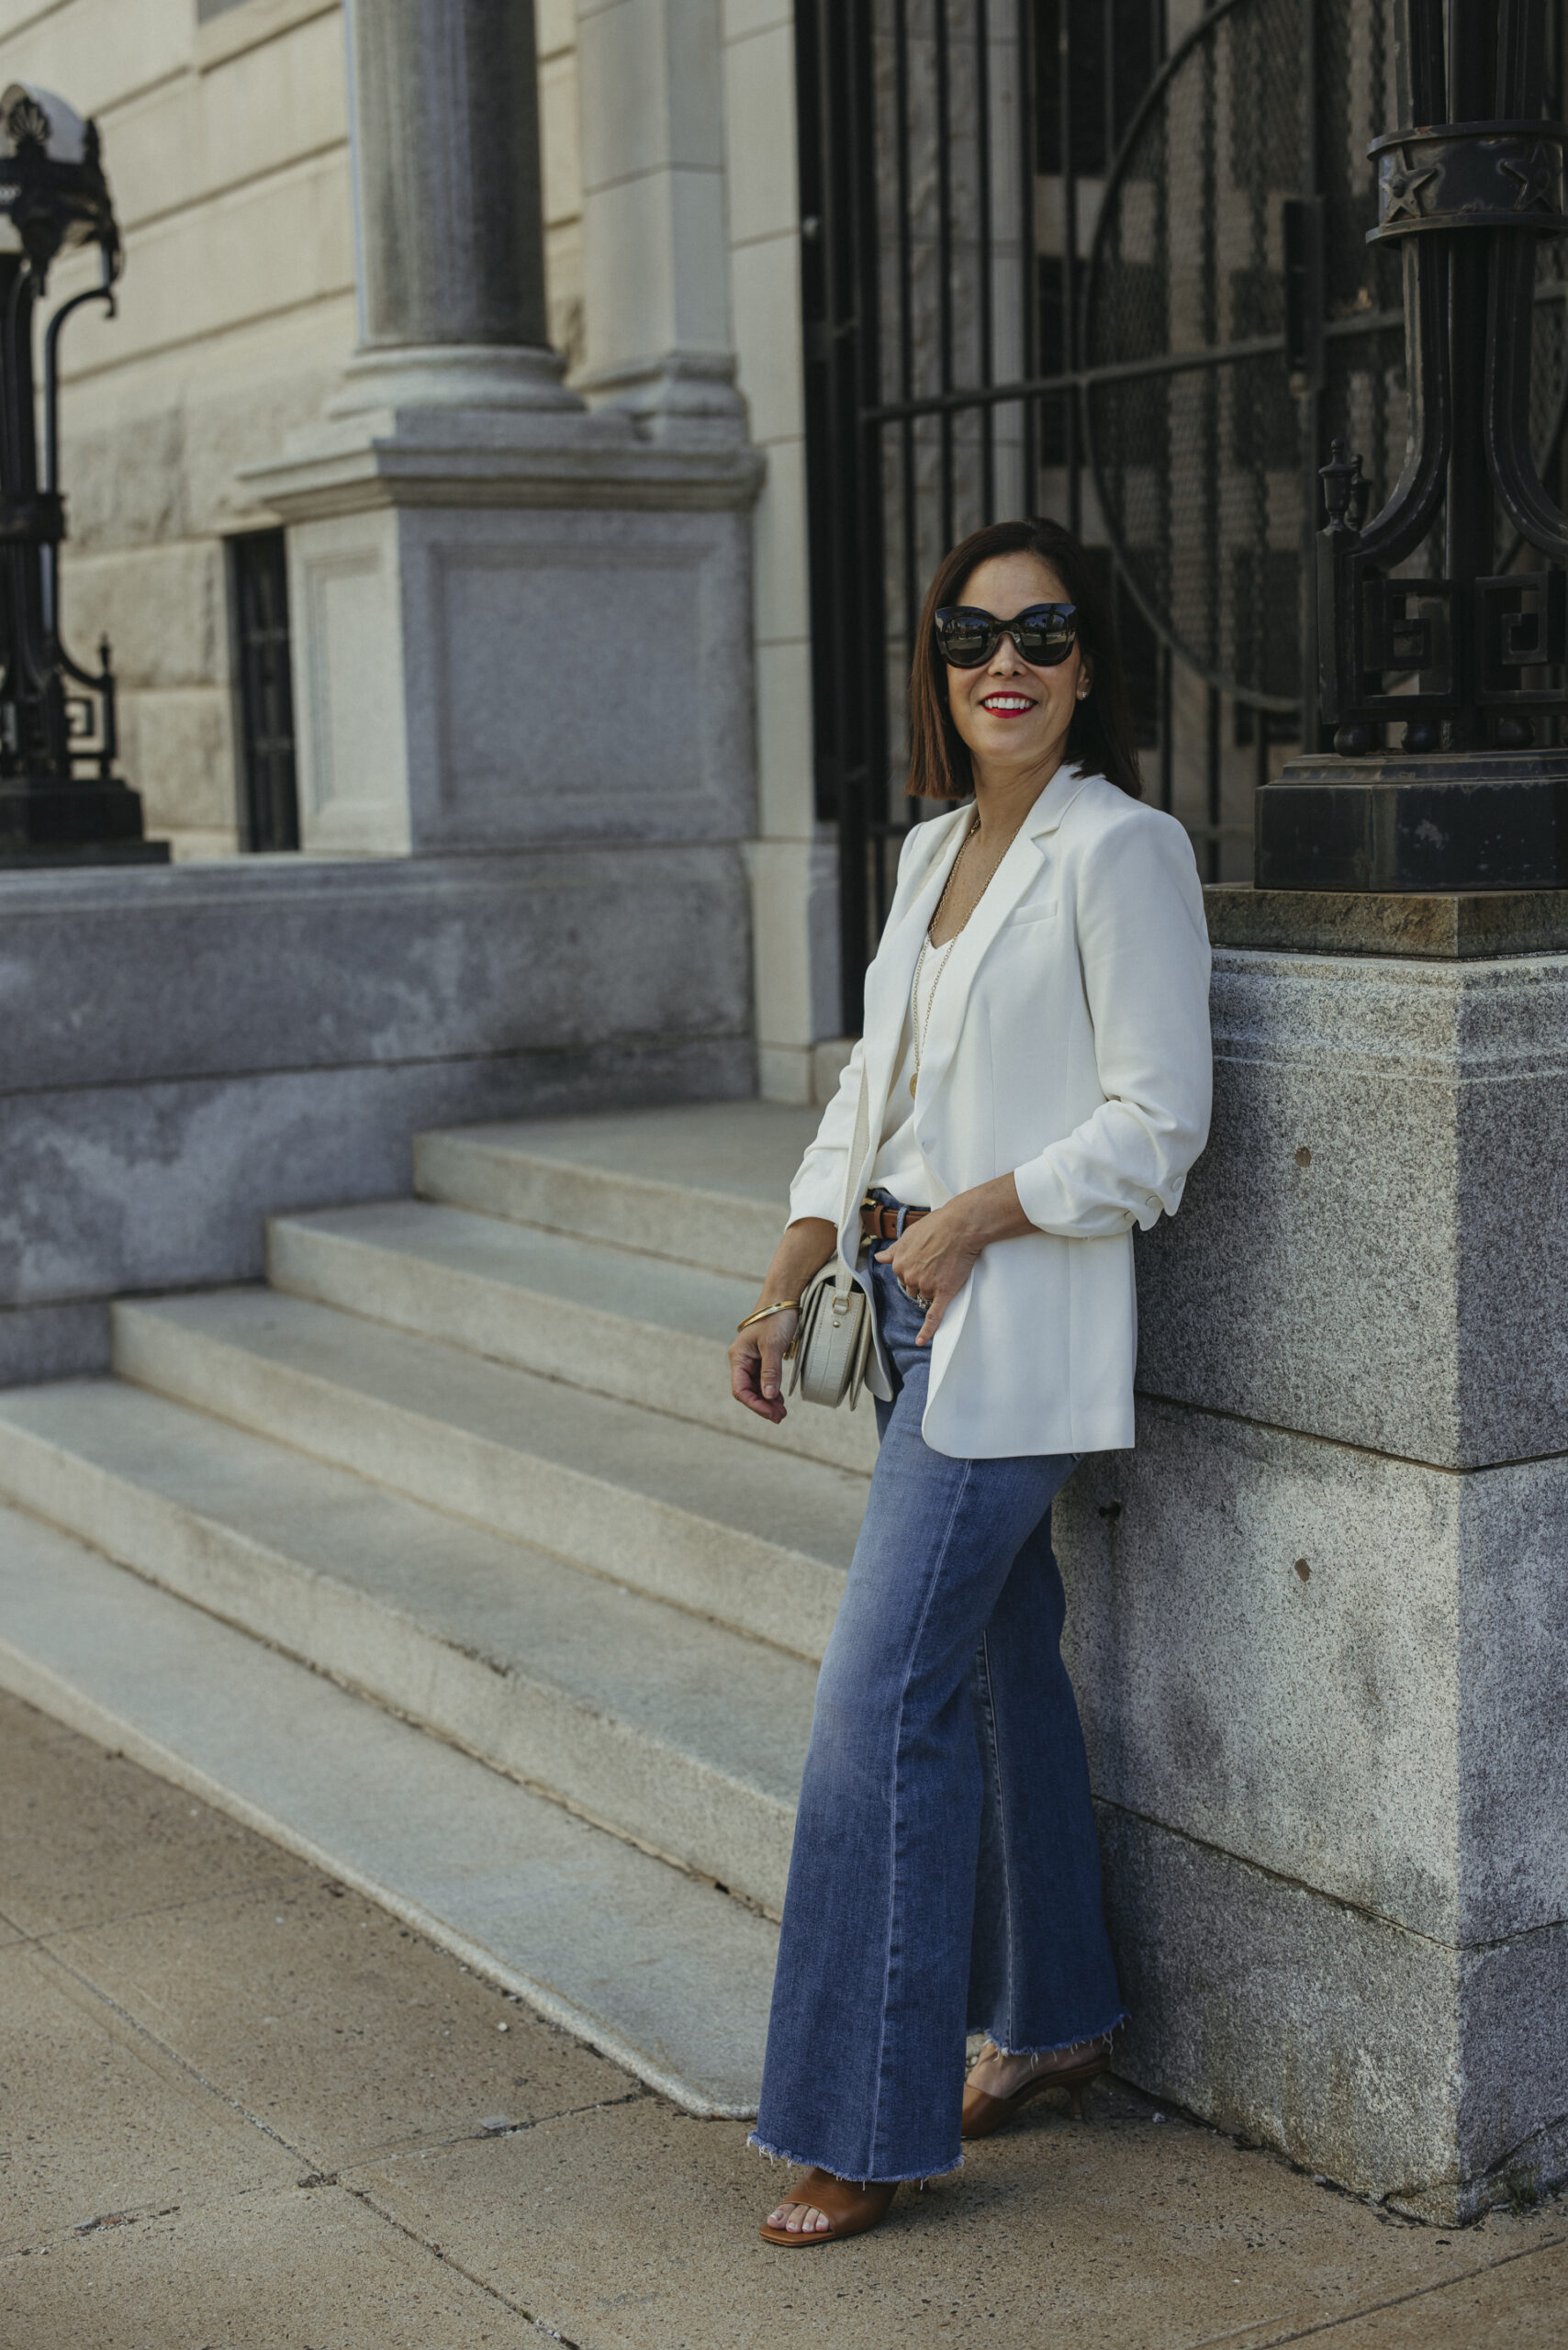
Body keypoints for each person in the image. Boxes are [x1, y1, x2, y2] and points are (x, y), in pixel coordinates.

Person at [727, 516, 1214, 2247]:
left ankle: (864, 2119)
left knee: (881, 1707)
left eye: (1041, 633)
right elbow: (872, 1097)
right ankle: (1063, 2019)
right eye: (969, 638)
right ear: (939, 673)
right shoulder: (935, 850)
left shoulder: (1122, 849)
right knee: (1002, 1668)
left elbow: (1160, 1127)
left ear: (1088, 669)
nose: (1002, 664)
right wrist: (795, 1272)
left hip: (1008, 1333)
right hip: (899, 1317)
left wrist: (983, 1217)